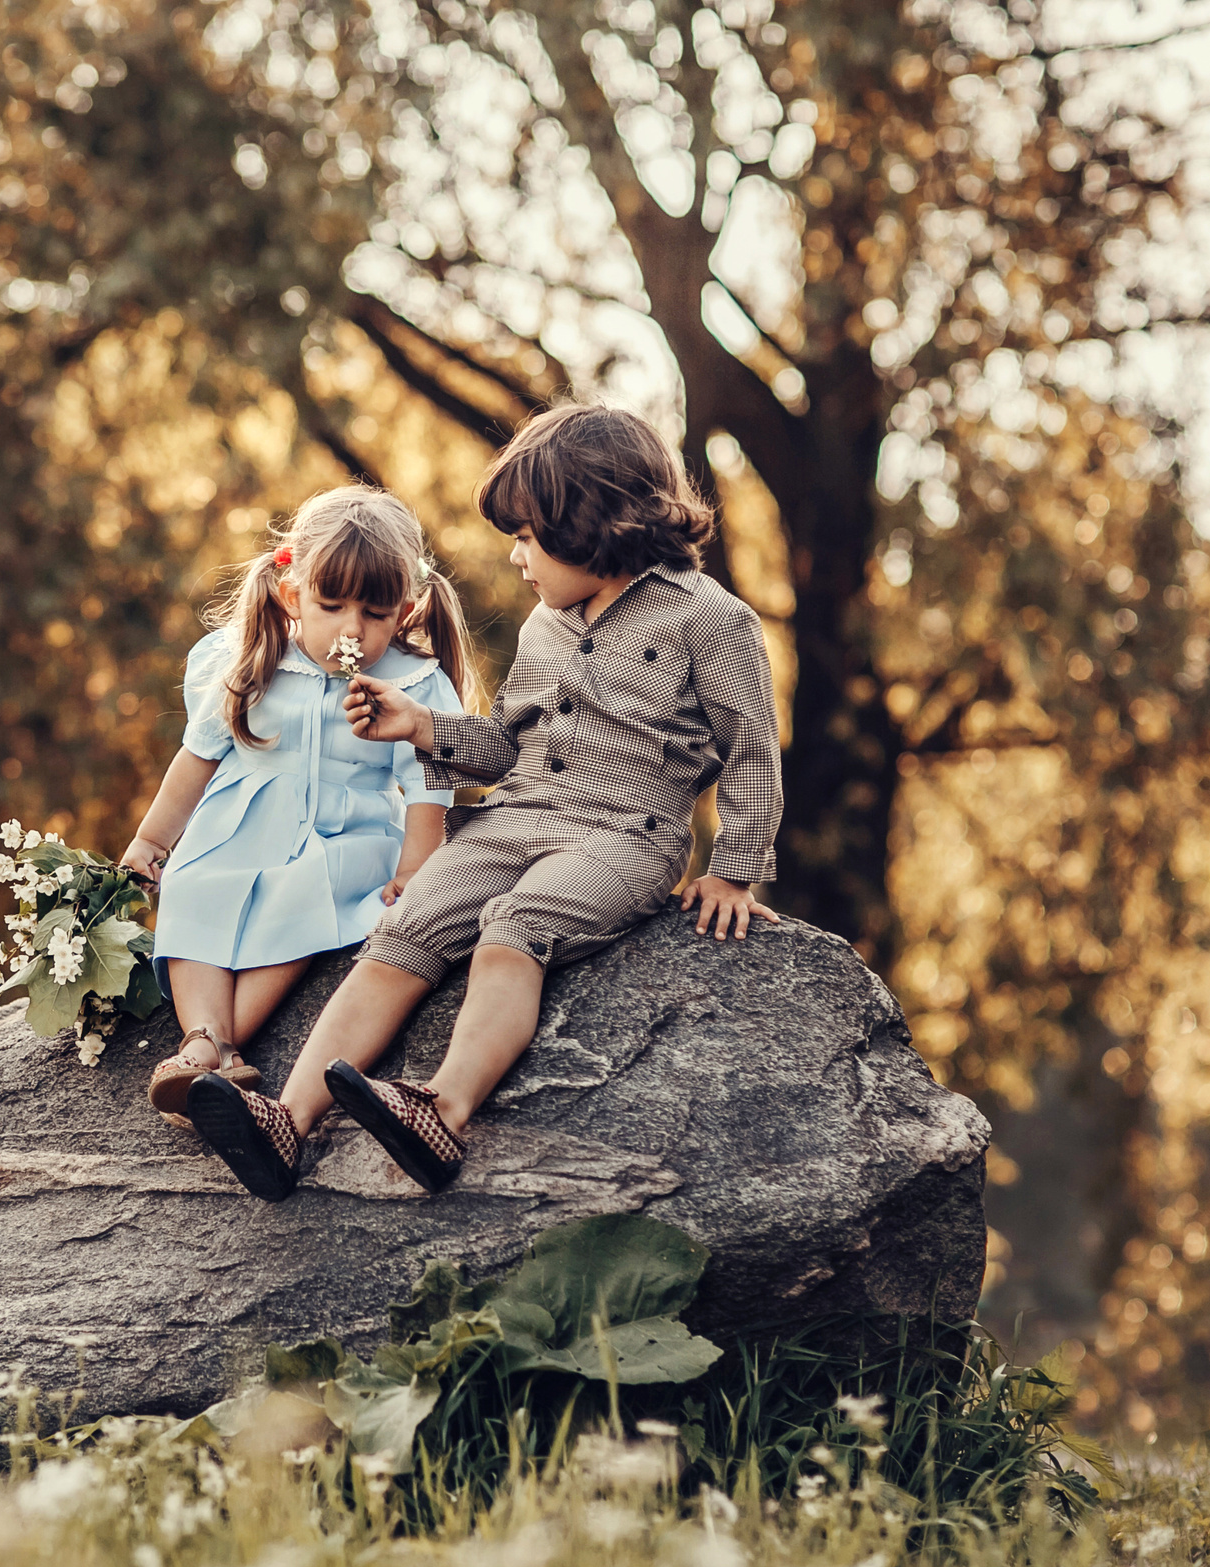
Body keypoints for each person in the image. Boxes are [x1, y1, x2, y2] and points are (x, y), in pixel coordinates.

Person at [181, 404, 784, 1201]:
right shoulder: (544, 625)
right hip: (516, 815)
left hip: (623, 838)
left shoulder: (711, 619)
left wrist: (734, 871)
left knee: (517, 924)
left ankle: (443, 1108)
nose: (517, 554)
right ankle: (285, 1123)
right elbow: (506, 742)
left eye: (531, 535)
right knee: (406, 926)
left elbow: (753, 746)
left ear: (594, 524)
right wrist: (423, 725)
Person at [119, 487, 472, 1129]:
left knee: (303, 908)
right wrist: (152, 840)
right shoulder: (252, 657)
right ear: (292, 595)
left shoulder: (414, 683)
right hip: (243, 819)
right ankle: (204, 1042)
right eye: (330, 605)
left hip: (348, 833)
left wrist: (417, 866)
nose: (351, 629)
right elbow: (197, 757)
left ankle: (225, 1045)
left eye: (374, 612)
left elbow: (428, 780)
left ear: (406, 611)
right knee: (196, 890)